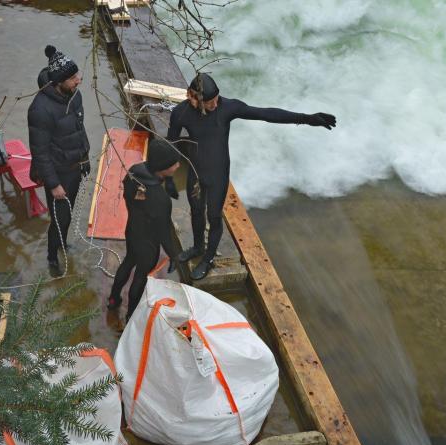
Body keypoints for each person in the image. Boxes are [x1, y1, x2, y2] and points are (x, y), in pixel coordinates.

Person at [167, 73, 337, 280]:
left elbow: (265, 113)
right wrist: (168, 178)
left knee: (213, 215)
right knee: (195, 211)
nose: (215, 104)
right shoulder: (180, 113)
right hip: (195, 171)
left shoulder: (227, 107)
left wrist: (307, 119)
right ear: (194, 98)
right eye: (209, 102)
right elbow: (170, 145)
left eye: (216, 99)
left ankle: (208, 258)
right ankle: (197, 247)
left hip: (218, 172)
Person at [28, 45, 91, 276]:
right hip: (58, 171)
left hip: (76, 164)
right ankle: (52, 256)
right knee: (59, 218)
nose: (79, 80)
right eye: (73, 77)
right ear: (59, 81)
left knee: (68, 214)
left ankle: (63, 243)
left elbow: (78, 128)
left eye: (77, 75)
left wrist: (85, 158)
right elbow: (40, 152)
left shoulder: (74, 95)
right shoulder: (40, 110)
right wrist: (53, 184)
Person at [108, 138, 182, 319]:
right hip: (148, 242)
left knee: (128, 262)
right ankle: (131, 316)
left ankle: (113, 299)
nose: (178, 166)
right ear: (162, 167)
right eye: (174, 164)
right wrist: (173, 255)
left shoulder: (134, 172)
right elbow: (164, 232)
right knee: (140, 276)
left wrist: (167, 180)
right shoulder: (160, 199)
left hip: (132, 229)